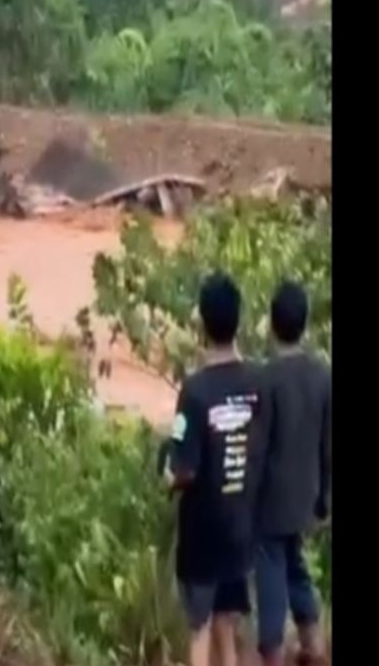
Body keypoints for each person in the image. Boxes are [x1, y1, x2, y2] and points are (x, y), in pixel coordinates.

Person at [165, 273, 270, 666]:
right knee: (228, 628)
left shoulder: (194, 391)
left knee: (199, 631)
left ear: (201, 322)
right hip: (241, 529)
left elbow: (184, 469)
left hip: (202, 537)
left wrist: (166, 474)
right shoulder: (259, 383)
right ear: (238, 320)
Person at [254, 281, 331, 666]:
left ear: (272, 324)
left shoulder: (265, 380)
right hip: (306, 496)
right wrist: (324, 499)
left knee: (270, 574)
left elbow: (259, 446)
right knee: (295, 564)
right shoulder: (322, 376)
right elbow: (328, 446)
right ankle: (314, 645)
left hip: (270, 502)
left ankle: (273, 655)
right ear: (305, 324)